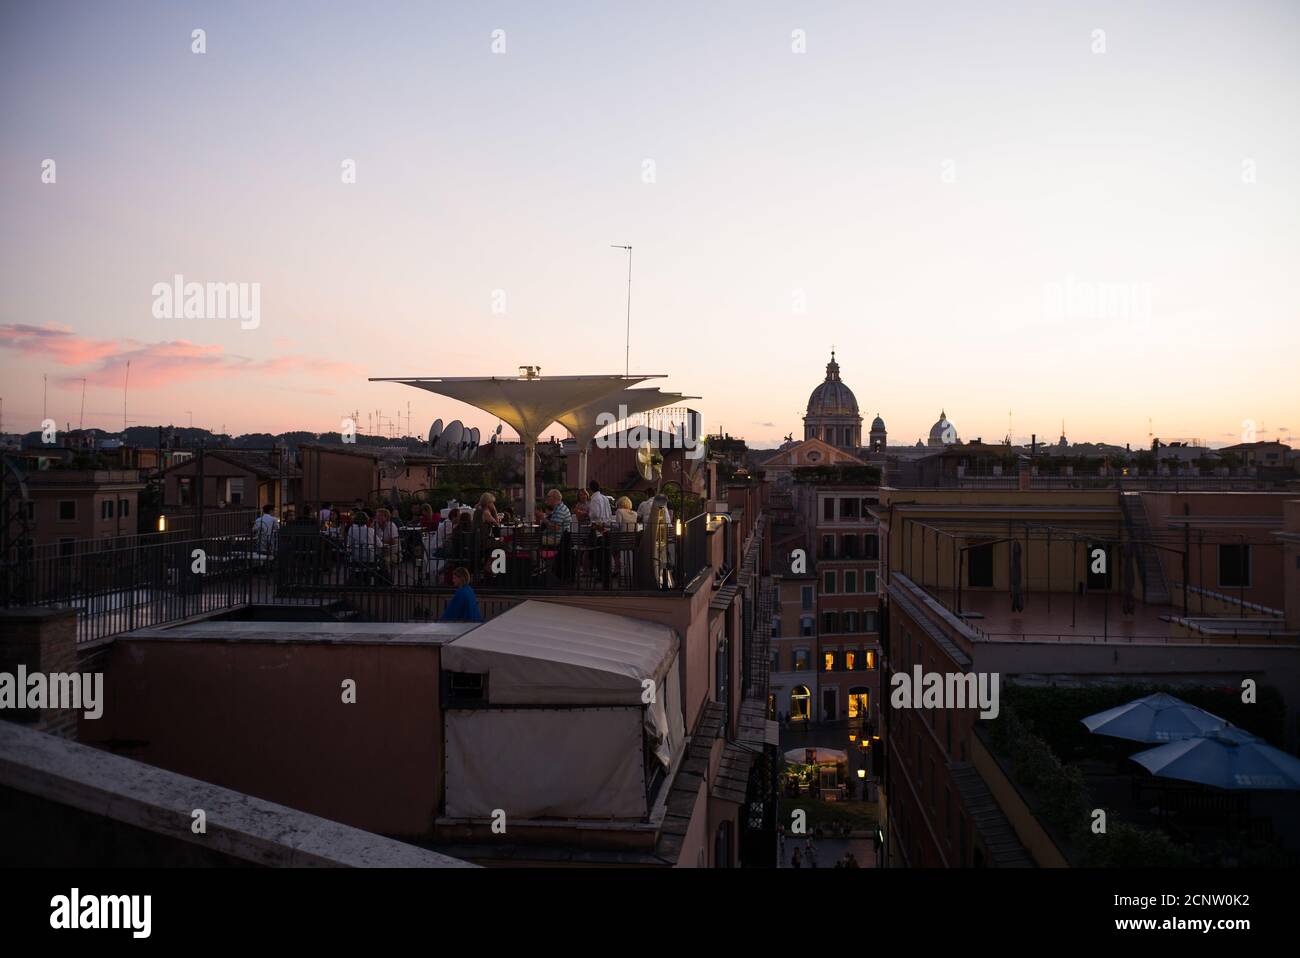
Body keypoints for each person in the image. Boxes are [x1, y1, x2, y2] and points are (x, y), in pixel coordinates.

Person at [374, 507, 402, 574]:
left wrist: (379, 542)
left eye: (380, 515)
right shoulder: (375, 525)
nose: (377, 517)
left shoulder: (391, 525)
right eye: (377, 516)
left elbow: (393, 541)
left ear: (386, 517)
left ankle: (387, 579)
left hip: (392, 552)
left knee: (385, 560)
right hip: (379, 551)